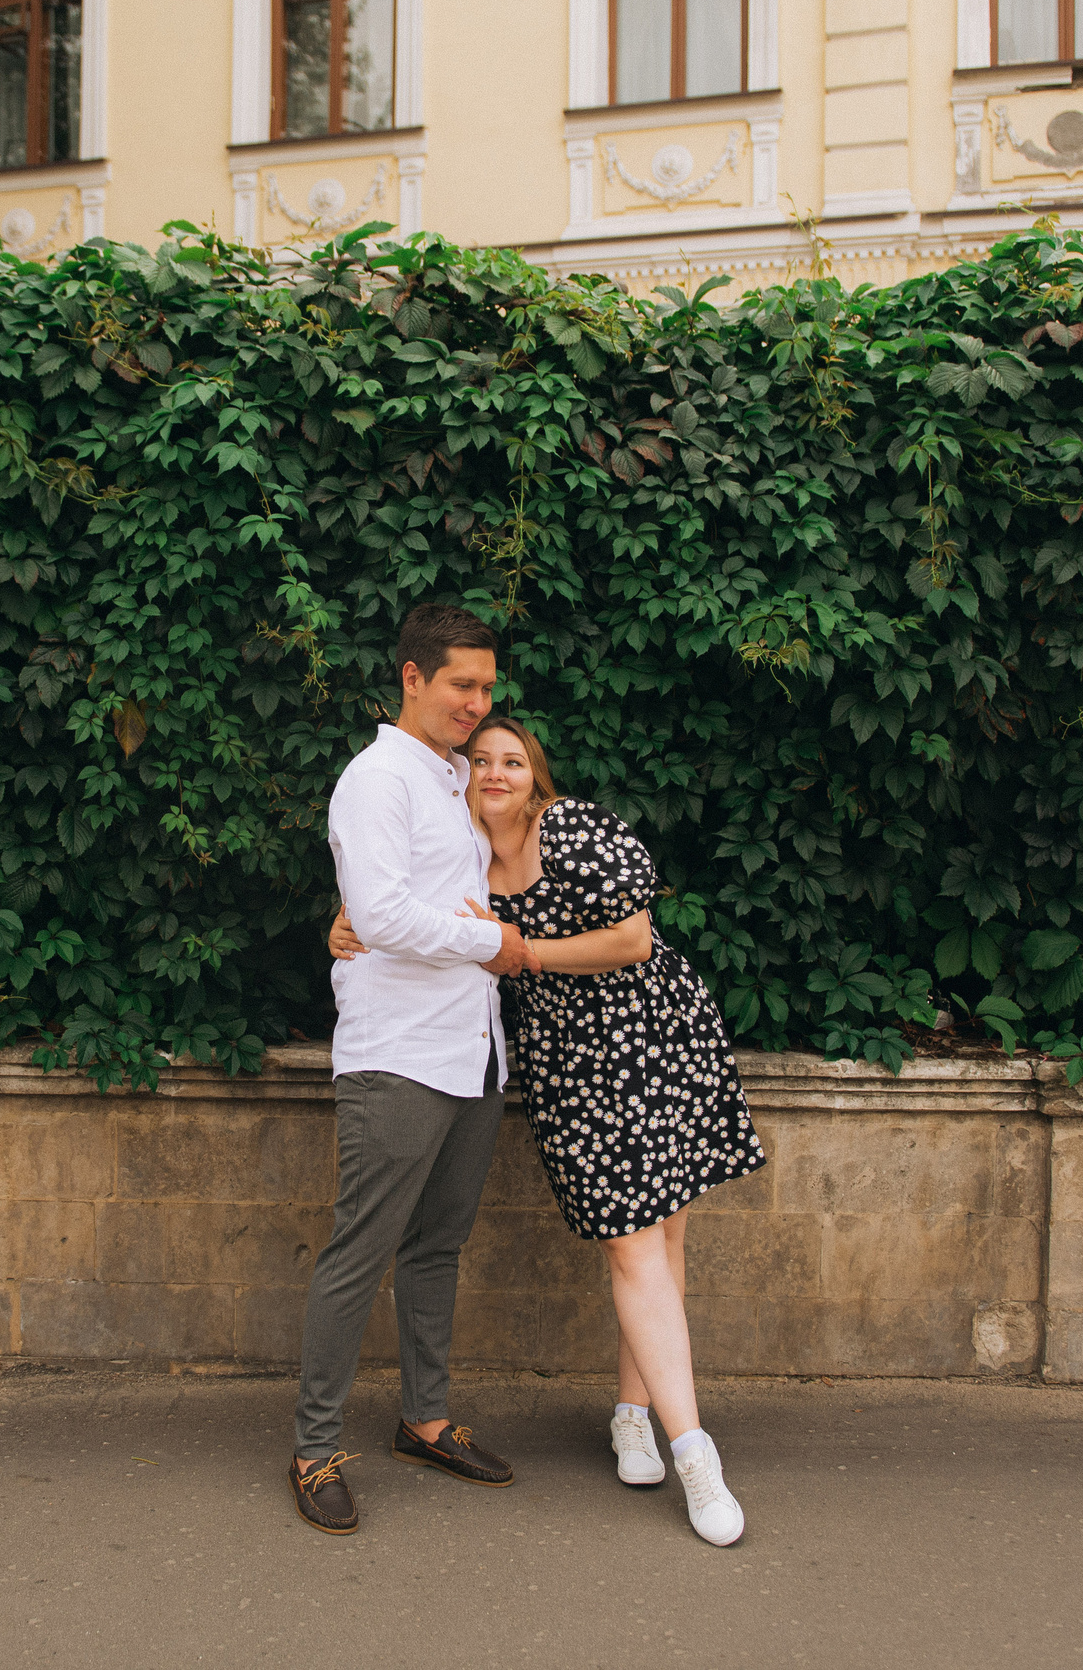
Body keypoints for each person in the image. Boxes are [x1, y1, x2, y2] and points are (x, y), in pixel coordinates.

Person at [329, 714, 767, 1546]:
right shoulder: (460, 852)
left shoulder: (568, 828)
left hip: (653, 1035)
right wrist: (339, 924)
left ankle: (645, 1422)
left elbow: (633, 938)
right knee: (635, 1248)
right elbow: (385, 905)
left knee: (660, 1242)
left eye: (514, 760)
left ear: (536, 776)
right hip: (570, 1063)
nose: (496, 772)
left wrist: (523, 951)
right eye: (482, 760)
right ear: (462, 777)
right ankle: (687, 1447)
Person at [289, 603, 534, 1537]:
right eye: (461, 684)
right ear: (412, 677)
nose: (477, 702)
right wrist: (489, 941)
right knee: (361, 1249)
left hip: (473, 1051)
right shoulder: (376, 778)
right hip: (397, 1055)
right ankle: (313, 1449)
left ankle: (423, 1421)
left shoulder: (455, 779)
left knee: (437, 1246)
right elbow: (384, 914)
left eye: (487, 686)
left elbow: (408, 901)